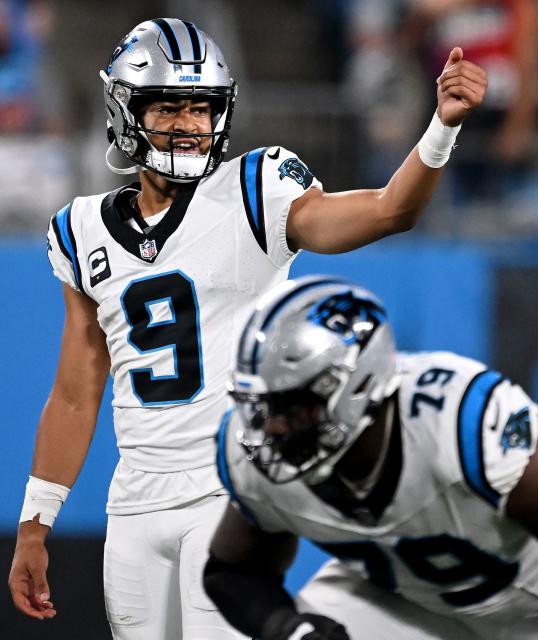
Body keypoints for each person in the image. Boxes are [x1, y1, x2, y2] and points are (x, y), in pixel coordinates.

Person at [8, 17, 487, 639]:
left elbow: (389, 209)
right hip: (132, 501)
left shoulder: (254, 189)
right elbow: (75, 391)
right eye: (169, 107)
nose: (189, 124)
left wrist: (441, 128)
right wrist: (35, 521)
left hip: (229, 490)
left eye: (202, 109)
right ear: (127, 111)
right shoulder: (81, 229)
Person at [203, 276, 538, 640]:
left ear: (358, 387)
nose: (274, 428)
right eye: (263, 407)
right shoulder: (254, 456)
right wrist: (288, 629)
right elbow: (232, 571)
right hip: (410, 602)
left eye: (293, 405)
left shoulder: (458, 419)